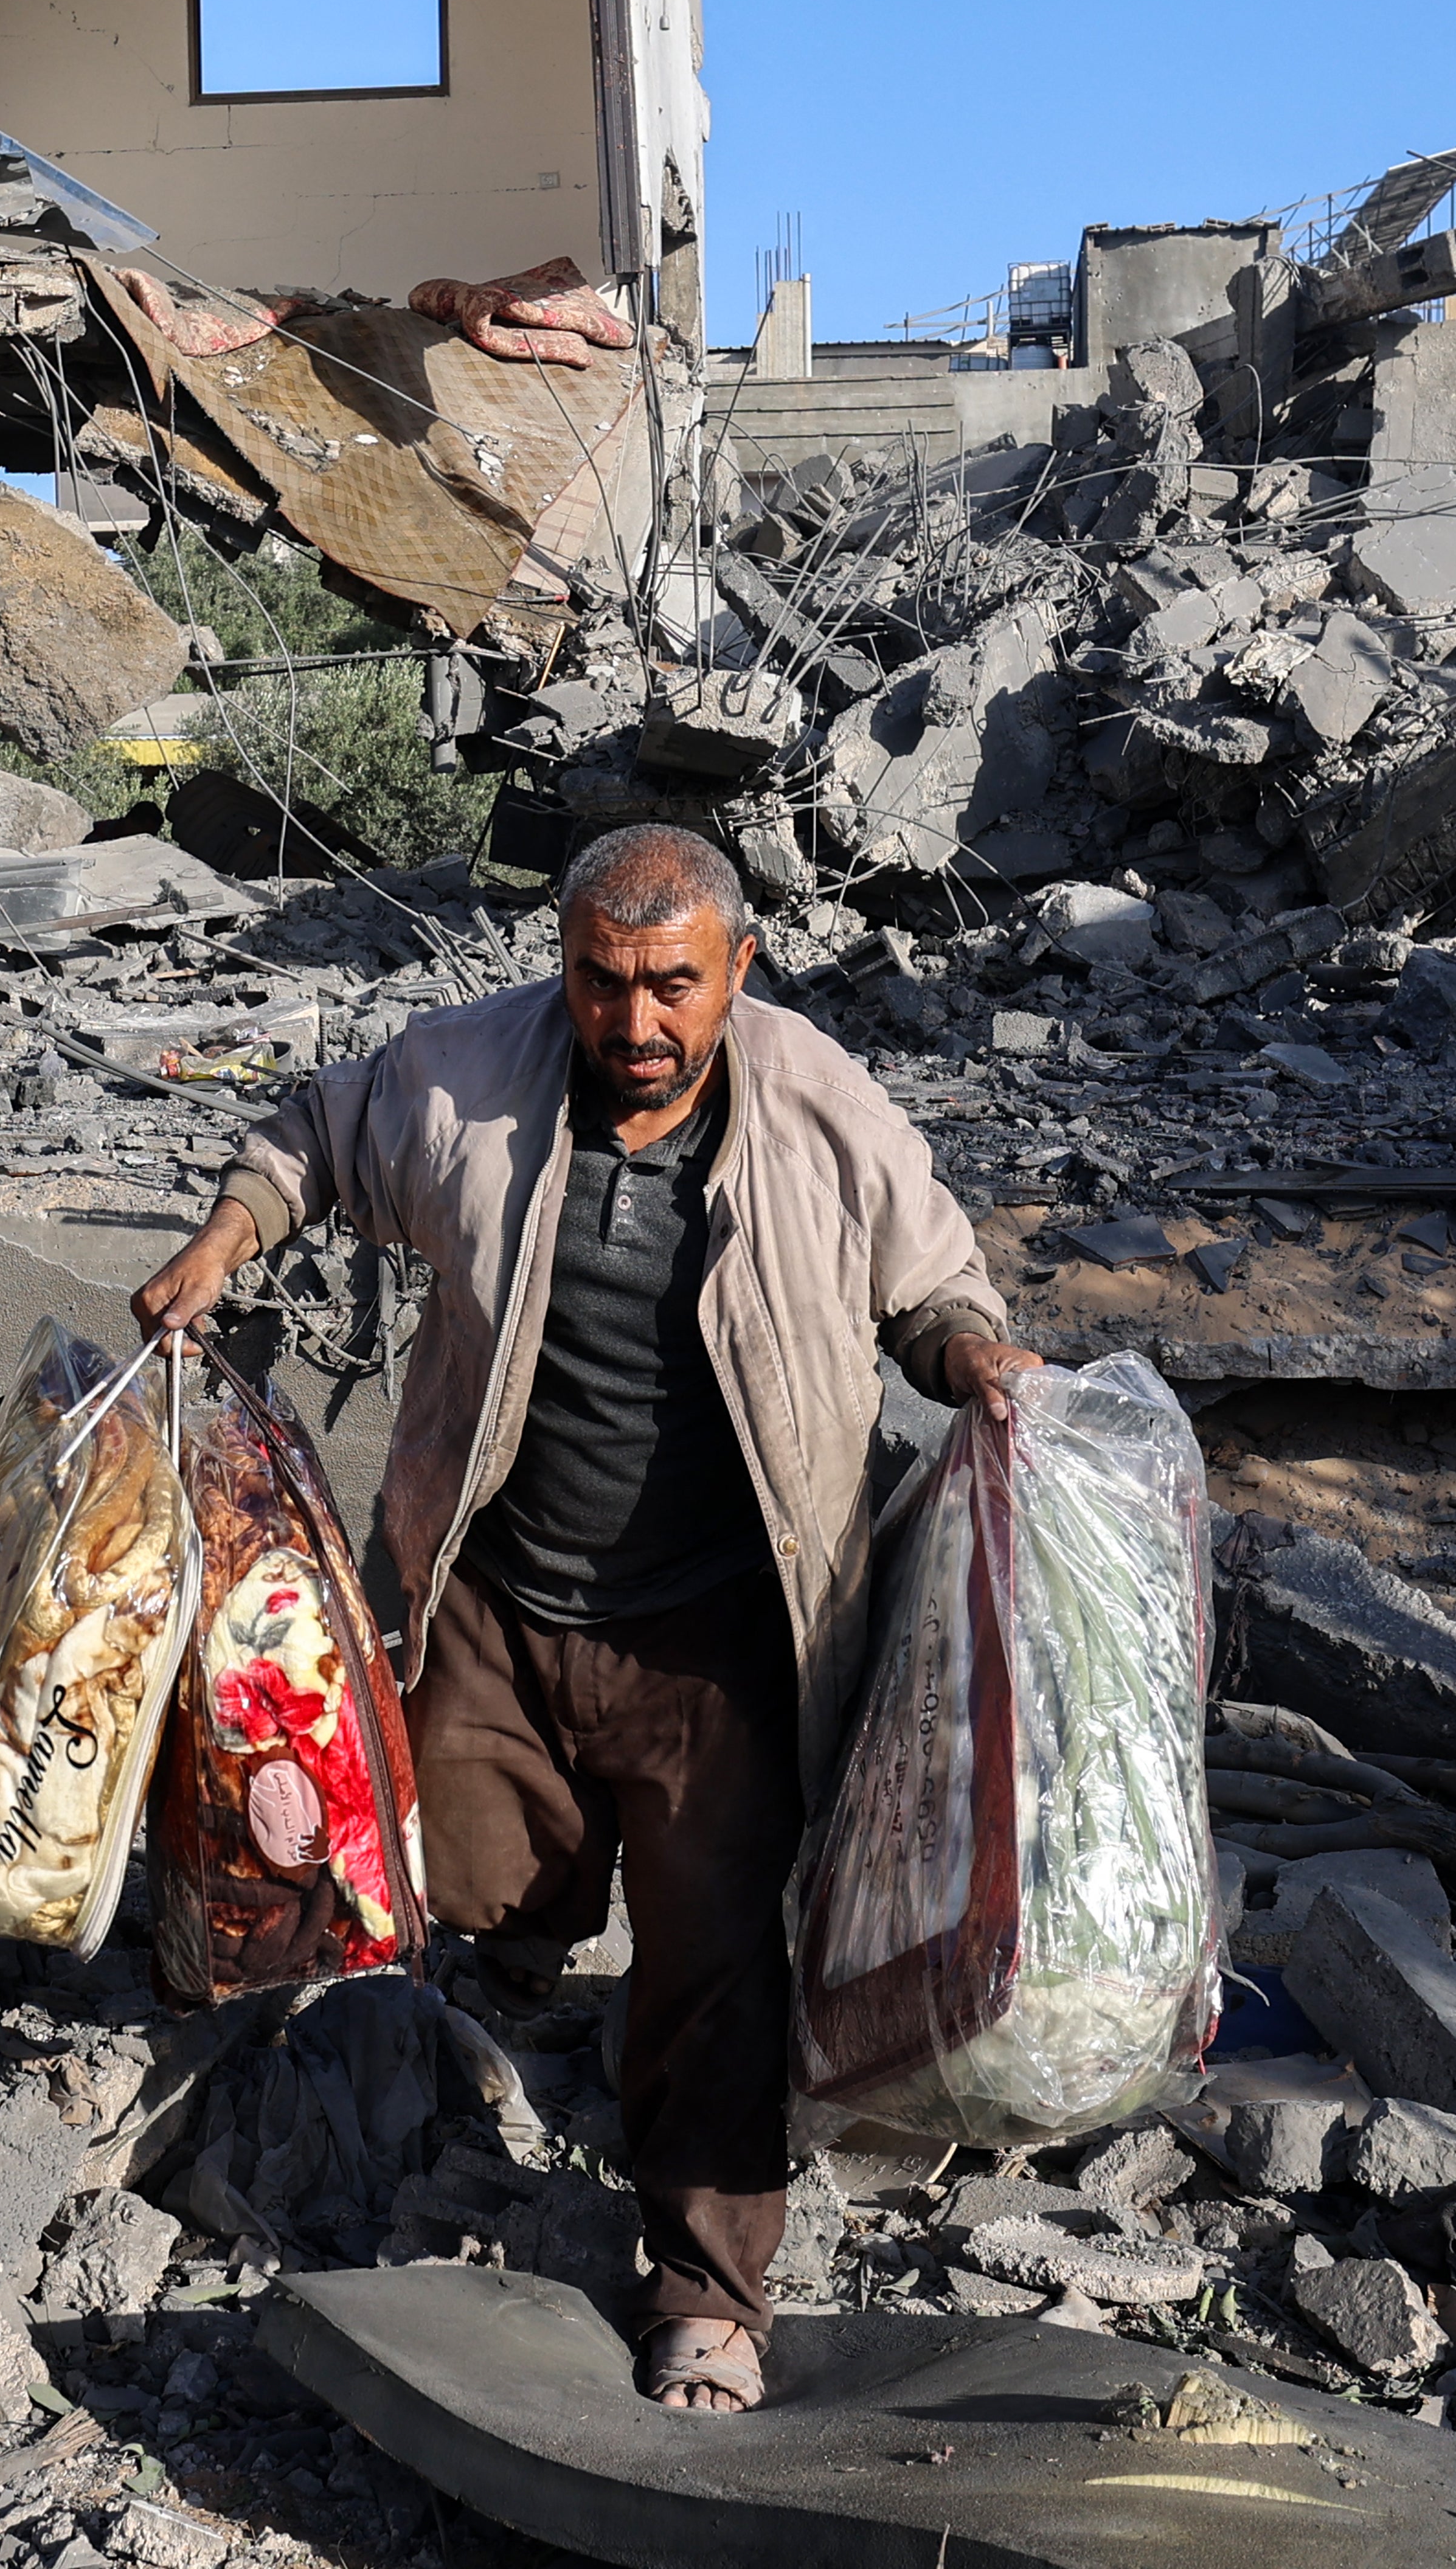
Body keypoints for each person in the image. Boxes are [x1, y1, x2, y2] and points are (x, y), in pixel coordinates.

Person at [131, 822, 1035, 2418]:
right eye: (601, 981)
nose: (634, 1022)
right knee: (453, 1879)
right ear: (562, 967)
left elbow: (932, 1285)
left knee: (713, 1964)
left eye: (671, 984)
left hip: (718, 1631)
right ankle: (534, 1964)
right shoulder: (473, 1075)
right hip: (497, 1597)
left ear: (737, 968)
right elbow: (315, 1134)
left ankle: (706, 2288)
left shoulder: (817, 1106)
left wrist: (978, 1362)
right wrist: (221, 1240)